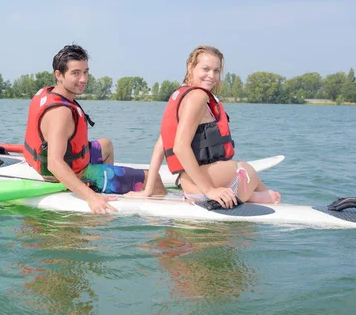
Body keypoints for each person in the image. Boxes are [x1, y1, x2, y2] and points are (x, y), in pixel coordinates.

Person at [128, 45, 281, 208]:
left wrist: (148, 190)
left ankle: (256, 196)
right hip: (205, 188)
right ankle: (254, 197)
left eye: (216, 71)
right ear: (190, 67)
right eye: (206, 69)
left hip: (190, 187)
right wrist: (209, 191)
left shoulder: (181, 96)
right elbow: (179, 148)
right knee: (245, 168)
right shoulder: (198, 97)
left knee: (257, 183)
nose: (212, 76)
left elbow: (160, 146)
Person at [23, 44, 166, 214]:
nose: (83, 79)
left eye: (85, 72)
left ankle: (106, 189)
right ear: (58, 75)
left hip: (54, 164)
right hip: (70, 174)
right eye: (75, 73)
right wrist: (90, 197)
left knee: (106, 145)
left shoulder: (47, 93)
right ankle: (97, 192)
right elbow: (55, 163)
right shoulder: (60, 113)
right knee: (154, 179)